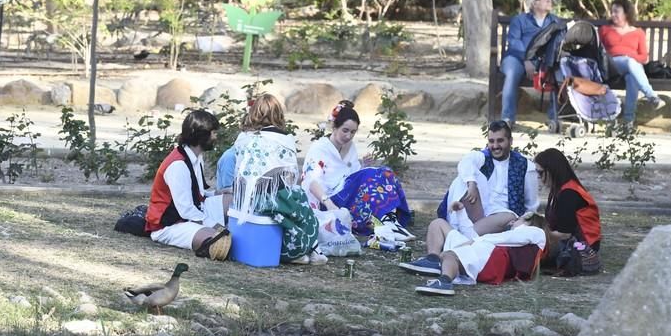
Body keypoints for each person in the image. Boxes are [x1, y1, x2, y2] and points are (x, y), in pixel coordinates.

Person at [400, 120, 539, 276]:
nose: (495, 146)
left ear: (510, 141)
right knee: (459, 184)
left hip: (505, 218)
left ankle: (455, 244)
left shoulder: (525, 165)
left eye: (500, 140)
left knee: (507, 215)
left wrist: (521, 225)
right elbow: (466, 162)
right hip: (480, 212)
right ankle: (432, 258)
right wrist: (471, 183)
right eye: (491, 141)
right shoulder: (483, 157)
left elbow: (531, 206)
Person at [226, 94, 327, 265]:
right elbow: (291, 176)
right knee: (300, 200)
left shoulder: (242, 138)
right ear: (278, 114)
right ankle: (301, 250)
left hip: (243, 200)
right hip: (270, 201)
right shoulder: (284, 140)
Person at [301, 100, 413, 238]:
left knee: (385, 172)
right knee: (375, 174)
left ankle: (386, 219)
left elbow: (352, 176)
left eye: (353, 132)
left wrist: (364, 166)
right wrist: (329, 205)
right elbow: (311, 181)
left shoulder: (350, 147)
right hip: (327, 202)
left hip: (346, 197)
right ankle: (383, 222)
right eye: (345, 130)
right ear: (334, 127)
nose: (348, 136)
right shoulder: (319, 148)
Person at [145, 109, 233, 260]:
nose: (215, 136)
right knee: (220, 242)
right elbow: (186, 211)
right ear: (202, 135)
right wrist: (216, 226)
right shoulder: (178, 165)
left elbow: (198, 194)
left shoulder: (196, 157)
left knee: (233, 199)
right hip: (171, 224)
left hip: (194, 212)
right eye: (213, 133)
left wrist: (218, 193)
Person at [415, 212, 550, 295]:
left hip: (491, 257)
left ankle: (444, 280)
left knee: (450, 255)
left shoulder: (536, 232)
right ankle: (432, 260)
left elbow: (504, 238)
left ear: (529, 221)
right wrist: (461, 212)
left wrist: (474, 241)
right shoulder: (515, 235)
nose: (514, 222)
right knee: (438, 223)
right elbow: (473, 236)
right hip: (484, 250)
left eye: (519, 219)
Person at [500, 0, 561, 125]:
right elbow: (514, 43)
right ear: (534, 3)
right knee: (512, 72)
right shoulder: (520, 20)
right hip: (516, 58)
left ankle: (554, 118)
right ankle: (507, 119)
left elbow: (559, 43)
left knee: (559, 71)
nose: (549, 0)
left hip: (543, 61)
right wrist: (526, 59)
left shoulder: (555, 21)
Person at [598, 0, 661, 125]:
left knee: (632, 78)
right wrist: (628, 59)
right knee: (629, 62)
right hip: (611, 65)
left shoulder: (638, 33)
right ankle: (651, 95)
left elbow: (643, 57)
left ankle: (628, 121)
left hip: (632, 68)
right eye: (612, 11)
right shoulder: (605, 30)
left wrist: (630, 59)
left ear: (626, 13)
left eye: (617, 11)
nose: (613, 14)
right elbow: (599, 52)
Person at [534, 147, 601, 257]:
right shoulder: (562, 189)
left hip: (583, 248)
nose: (538, 177)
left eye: (540, 172)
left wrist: (537, 234)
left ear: (552, 170)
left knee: (530, 249)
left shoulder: (568, 194)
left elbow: (564, 234)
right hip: (577, 244)